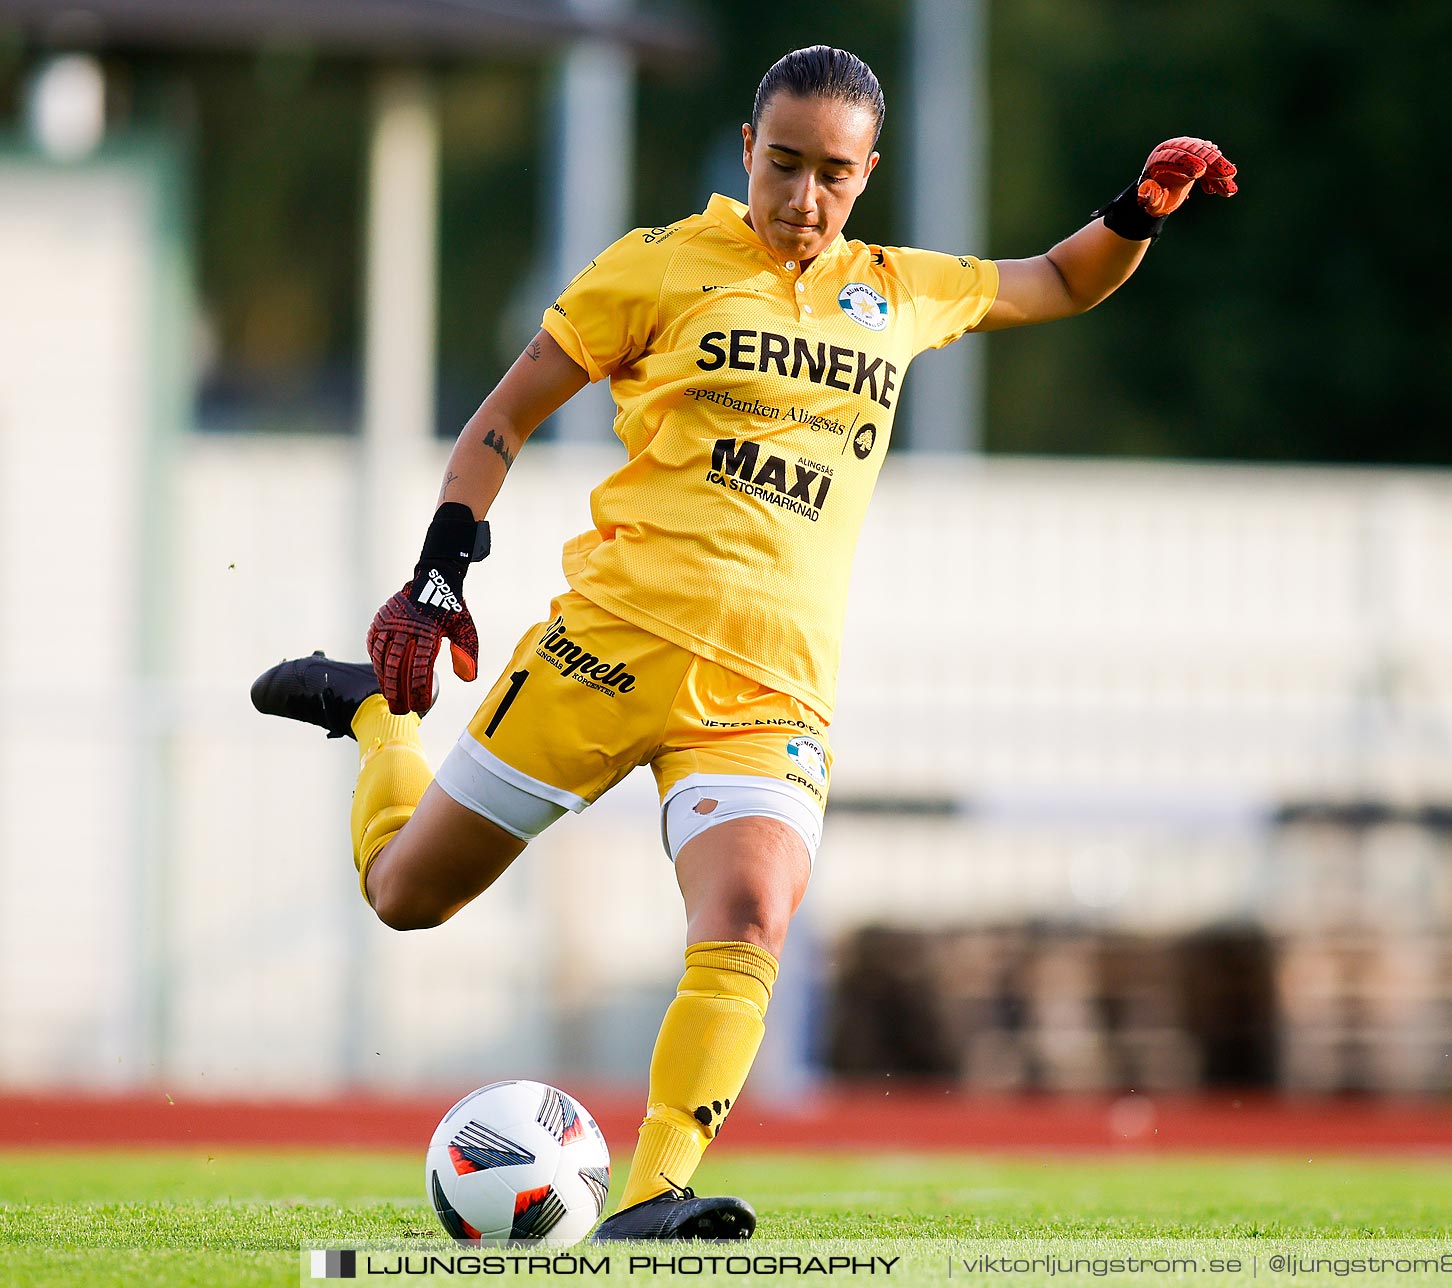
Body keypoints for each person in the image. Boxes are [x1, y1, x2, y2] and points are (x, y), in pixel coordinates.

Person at [252, 45, 1235, 1242]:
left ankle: (655, 1188)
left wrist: (1140, 208)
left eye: (833, 173)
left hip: (771, 690)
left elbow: (1055, 282)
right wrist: (436, 576)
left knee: (753, 914)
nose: (804, 197)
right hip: (607, 649)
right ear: (745, 150)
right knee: (406, 895)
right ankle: (374, 716)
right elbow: (504, 417)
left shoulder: (899, 288)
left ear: (869, 174)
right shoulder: (658, 268)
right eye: (784, 165)